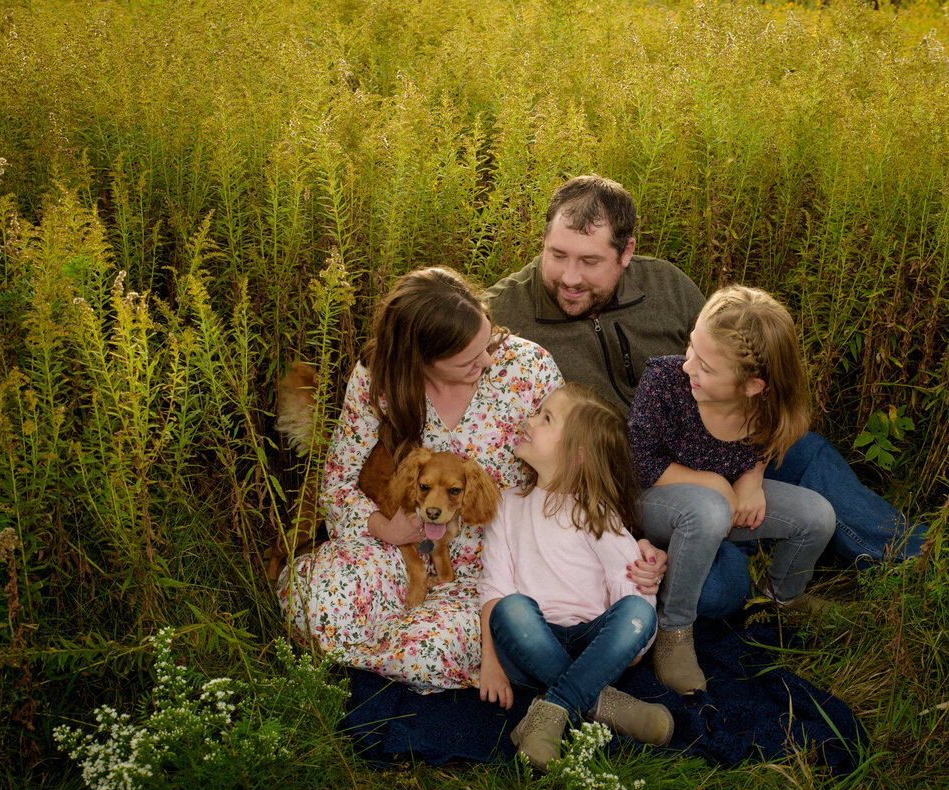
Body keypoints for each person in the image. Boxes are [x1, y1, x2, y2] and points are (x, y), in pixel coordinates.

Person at [486, 175, 926, 599]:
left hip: (716, 441)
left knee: (808, 452)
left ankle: (917, 568)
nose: (570, 277)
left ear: (626, 253)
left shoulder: (666, 286)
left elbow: (733, 366)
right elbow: (446, 348)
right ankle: (731, 557)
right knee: (720, 591)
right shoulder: (506, 311)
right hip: (629, 480)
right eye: (557, 255)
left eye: (589, 261)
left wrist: (748, 471)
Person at [276, 267, 661, 693]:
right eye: (467, 359)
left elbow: (573, 466)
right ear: (421, 360)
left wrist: (630, 543)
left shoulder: (527, 369)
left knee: (429, 648)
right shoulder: (376, 381)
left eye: (488, 340)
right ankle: (385, 646)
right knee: (319, 595)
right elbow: (337, 483)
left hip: (495, 573)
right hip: (400, 549)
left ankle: (400, 652)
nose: (489, 360)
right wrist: (383, 527)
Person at [630, 286, 836, 694]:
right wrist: (715, 483)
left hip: (721, 506)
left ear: (753, 386)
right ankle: (673, 629)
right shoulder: (665, 382)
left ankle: (781, 598)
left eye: (706, 366)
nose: (689, 365)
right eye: (691, 347)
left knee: (817, 517)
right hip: (651, 501)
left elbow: (769, 440)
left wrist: (752, 479)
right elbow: (641, 462)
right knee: (708, 510)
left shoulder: (767, 405)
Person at [477, 384, 673, 768]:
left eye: (545, 418)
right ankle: (605, 704)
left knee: (639, 610)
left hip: (590, 645)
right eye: (537, 412)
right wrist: (490, 661)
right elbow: (493, 588)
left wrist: (626, 651)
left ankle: (554, 709)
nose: (529, 420)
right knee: (511, 607)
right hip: (528, 648)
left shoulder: (597, 512)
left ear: (577, 455)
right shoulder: (507, 504)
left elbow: (631, 587)